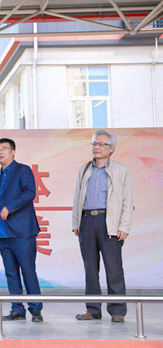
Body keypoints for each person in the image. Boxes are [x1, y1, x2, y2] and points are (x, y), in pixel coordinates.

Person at [72, 130, 133, 323]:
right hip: (87, 221)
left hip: (110, 222)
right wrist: (76, 222)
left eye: (101, 144)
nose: (96, 147)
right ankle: (93, 309)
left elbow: (127, 200)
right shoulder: (84, 169)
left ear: (111, 148)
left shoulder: (121, 170)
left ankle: (117, 310)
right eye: (94, 144)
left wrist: (124, 226)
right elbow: (77, 197)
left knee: (114, 269)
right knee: (90, 269)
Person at [0, 138, 43, 322]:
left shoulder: (23, 170)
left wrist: (10, 207)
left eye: (4, 148)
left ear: (13, 152)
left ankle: (36, 309)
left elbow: (30, 192)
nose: (0, 152)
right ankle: (17, 309)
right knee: (11, 273)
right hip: (3, 233)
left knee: (28, 270)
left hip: (22, 232)